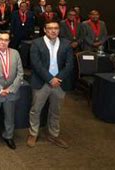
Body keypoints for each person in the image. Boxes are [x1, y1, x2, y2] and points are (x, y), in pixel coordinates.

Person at [27, 21, 74, 149]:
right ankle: (33, 133)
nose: (53, 31)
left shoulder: (66, 44)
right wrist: (50, 79)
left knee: (56, 111)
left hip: (59, 83)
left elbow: (70, 64)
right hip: (41, 82)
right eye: (50, 28)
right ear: (44, 30)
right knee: (36, 110)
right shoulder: (36, 43)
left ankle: (53, 134)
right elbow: (36, 64)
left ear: (59, 30)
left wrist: (58, 78)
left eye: (56, 28)